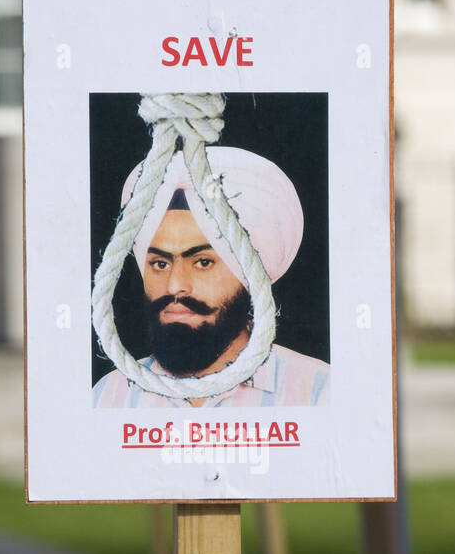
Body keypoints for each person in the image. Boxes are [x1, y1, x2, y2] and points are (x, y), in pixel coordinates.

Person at [92, 147, 331, 408]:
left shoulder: (319, 392)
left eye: (203, 262)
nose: (175, 285)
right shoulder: (109, 396)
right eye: (160, 263)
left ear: (250, 274)